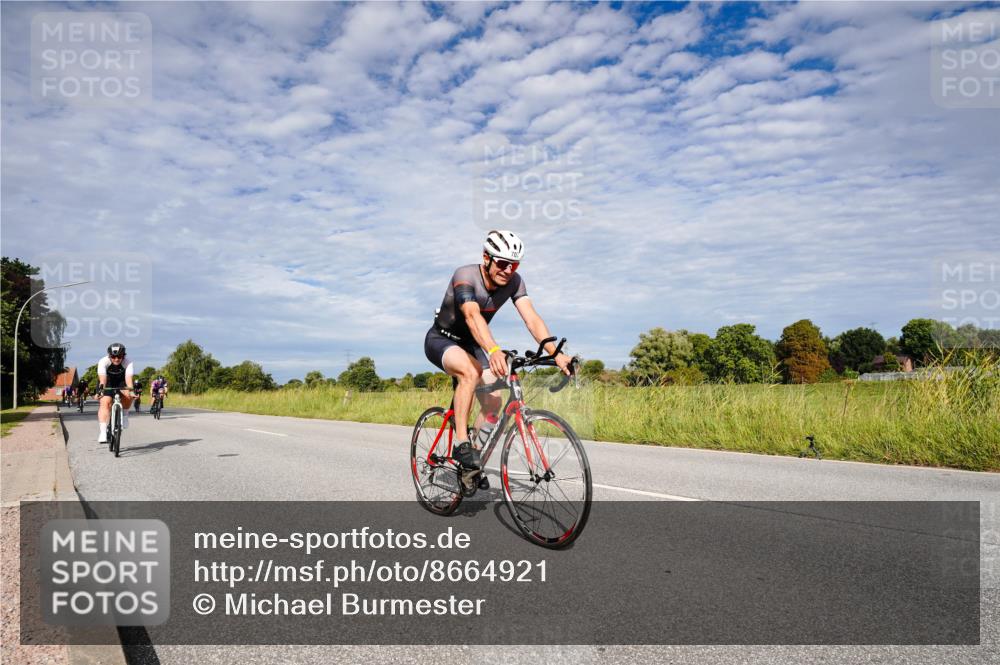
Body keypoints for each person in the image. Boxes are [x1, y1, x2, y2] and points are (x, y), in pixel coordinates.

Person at [424, 229, 572, 471]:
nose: (508, 270)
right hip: (442, 339)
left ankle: (472, 462)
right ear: (486, 257)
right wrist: (493, 350)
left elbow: (531, 318)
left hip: (473, 344)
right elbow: (471, 315)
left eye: (514, 265)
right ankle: (461, 444)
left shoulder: (515, 281)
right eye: (502, 263)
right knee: (469, 372)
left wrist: (555, 354)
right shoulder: (465, 275)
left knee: (493, 403)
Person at [96, 342, 135, 443]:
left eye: (119, 356)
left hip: (121, 381)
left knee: (128, 394)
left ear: (123, 356)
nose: (116, 359)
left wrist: (131, 392)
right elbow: (103, 379)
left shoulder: (128, 362)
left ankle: (125, 415)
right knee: (105, 402)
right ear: (109, 356)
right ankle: (103, 432)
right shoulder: (103, 361)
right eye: (113, 357)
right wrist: (100, 391)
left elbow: (129, 379)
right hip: (107, 381)